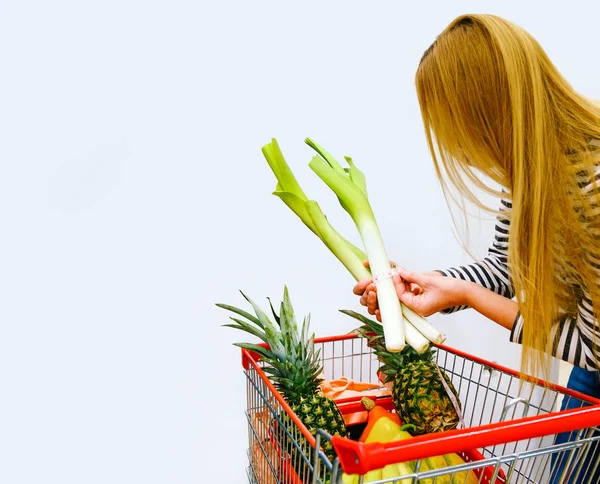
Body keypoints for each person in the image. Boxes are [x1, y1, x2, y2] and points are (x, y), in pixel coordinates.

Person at [352, 14, 600, 483]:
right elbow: (505, 268)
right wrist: (437, 285)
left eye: (451, 125)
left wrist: (468, 298)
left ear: (485, 111)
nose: (453, 145)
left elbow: (593, 347)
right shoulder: (533, 167)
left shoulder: (591, 188)